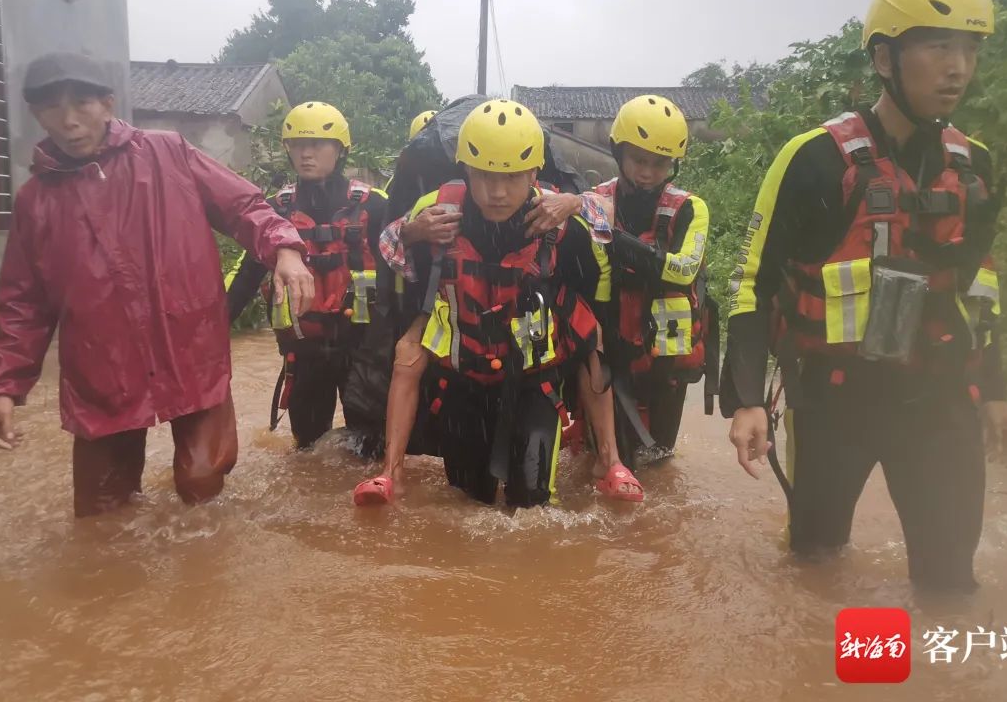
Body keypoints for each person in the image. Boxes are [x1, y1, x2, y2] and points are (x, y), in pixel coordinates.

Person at [722, 0, 1007, 592]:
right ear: (884, 59)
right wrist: (748, 398)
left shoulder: (976, 168)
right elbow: (750, 283)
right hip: (836, 403)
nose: (958, 67)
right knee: (814, 565)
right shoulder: (813, 161)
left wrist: (994, 390)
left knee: (950, 585)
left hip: (940, 401)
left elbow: (980, 291)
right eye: (937, 46)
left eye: (970, 48)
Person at [0, 52, 315, 517]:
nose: (70, 120)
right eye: (53, 107)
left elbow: (244, 208)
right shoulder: (35, 201)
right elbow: (23, 303)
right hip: (101, 365)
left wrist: (285, 247)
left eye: (82, 103)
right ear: (36, 113)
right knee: (102, 513)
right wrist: (4, 387)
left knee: (202, 483)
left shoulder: (168, 153)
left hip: (189, 346)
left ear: (108, 103)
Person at [353, 100, 610, 507]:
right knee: (467, 503)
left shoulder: (557, 209)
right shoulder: (438, 206)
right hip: (463, 384)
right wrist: (413, 233)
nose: (497, 191)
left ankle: (608, 462)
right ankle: (393, 472)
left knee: (533, 503)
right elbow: (385, 246)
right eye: (484, 175)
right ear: (465, 170)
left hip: (533, 383)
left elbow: (610, 218)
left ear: (533, 174)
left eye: (511, 177)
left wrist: (576, 202)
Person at [225, 101, 392, 454]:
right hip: (305, 353)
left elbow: (404, 275)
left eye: (317, 144)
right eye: (298, 145)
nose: (306, 153)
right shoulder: (273, 212)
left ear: (341, 149)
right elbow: (243, 279)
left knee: (368, 449)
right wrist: (210, 327)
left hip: (361, 353)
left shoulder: (375, 206)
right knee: (309, 454)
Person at [586, 95, 718, 485]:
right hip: (616, 345)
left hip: (668, 357)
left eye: (659, 163)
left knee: (659, 459)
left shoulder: (692, 209)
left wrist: (617, 238)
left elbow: (681, 271)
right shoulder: (596, 200)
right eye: (639, 160)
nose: (647, 173)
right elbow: (598, 276)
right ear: (619, 153)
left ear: (673, 164)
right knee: (613, 460)